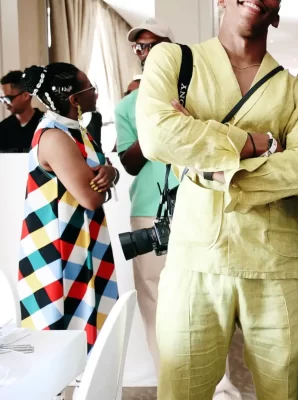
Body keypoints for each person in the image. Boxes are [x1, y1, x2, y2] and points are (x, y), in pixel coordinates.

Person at [136, 0, 298, 398]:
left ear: (277, 14)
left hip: (276, 266)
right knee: (180, 392)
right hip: (195, 262)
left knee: (284, 393)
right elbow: (158, 136)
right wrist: (261, 143)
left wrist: (216, 170)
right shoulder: (174, 62)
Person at [18, 63, 119, 352]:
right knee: (58, 340)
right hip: (56, 247)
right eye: (90, 87)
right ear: (74, 99)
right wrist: (104, 179)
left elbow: (101, 171)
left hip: (84, 240)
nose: (95, 92)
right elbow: (91, 198)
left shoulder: (76, 130)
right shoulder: (54, 136)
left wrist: (110, 173)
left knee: (91, 328)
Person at [115, 19, 178, 377]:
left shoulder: (195, 92)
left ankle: (223, 393)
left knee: (209, 299)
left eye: (153, 44)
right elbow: (129, 163)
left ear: (171, 48)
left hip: (200, 208)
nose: (145, 52)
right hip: (149, 211)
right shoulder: (127, 107)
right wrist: (154, 122)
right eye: (140, 46)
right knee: (154, 301)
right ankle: (169, 385)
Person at [0, 70, 44, 153]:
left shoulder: (45, 125)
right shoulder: (3, 128)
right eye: (2, 99)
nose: (5, 103)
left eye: (8, 98)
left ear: (26, 95)